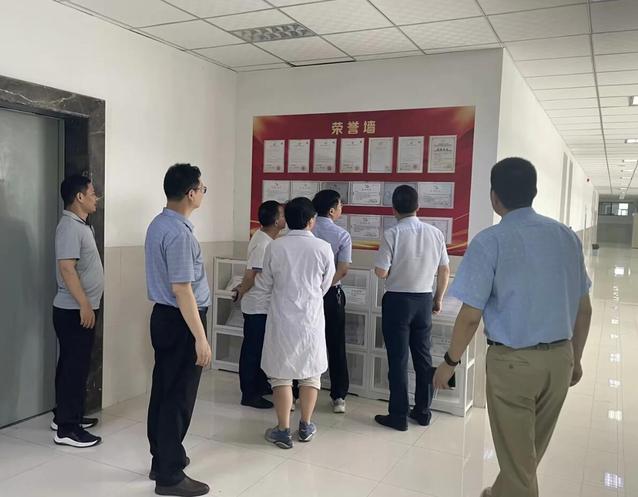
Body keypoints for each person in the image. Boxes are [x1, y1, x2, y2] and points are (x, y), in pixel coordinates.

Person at [433, 157, 592, 497]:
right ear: (534, 191)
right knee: (525, 458)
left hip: (513, 367)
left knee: (520, 469)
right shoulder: (566, 237)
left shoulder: (490, 241)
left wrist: (449, 362)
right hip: (559, 361)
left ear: (495, 197)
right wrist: (575, 359)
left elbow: (470, 315)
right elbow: (584, 309)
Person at [145, 163, 212, 497]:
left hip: (165, 318)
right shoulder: (180, 234)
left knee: (163, 391)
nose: (203, 194)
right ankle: (169, 476)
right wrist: (200, 337)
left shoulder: (159, 224)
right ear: (190, 193)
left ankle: (162, 459)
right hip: (182, 321)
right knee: (178, 398)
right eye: (202, 188)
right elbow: (183, 289)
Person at [259, 197, 335, 449]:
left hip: (281, 317)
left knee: (280, 374)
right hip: (310, 319)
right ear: (311, 221)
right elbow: (326, 284)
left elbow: (266, 283)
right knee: (311, 374)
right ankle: (305, 425)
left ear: (287, 220)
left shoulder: (275, 247)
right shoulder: (323, 248)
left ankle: (282, 430)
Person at [374, 185, 450, 431]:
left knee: (398, 360)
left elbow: (381, 271)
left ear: (394, 209)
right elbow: (444, 269)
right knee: (423, 359)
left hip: (397, 302)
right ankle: (423, 412)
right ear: (418, 207)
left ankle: (398, 416)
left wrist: (394, 271)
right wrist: (438, 298)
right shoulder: (435, 233)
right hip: (424, 300)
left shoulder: (392, 234)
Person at [51, 174, 103, 448]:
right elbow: (66, 268)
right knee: (74, 368)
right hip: (74, 311)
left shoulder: (80, 225)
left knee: (71, 365)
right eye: (92, 193)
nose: (96, 198)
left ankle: (65, 415)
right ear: (79, 197)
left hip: (78, 309)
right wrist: (84, 304)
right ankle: (67, 429)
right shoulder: (70, 227)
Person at [234, 200, 285, 409]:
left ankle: (261, 385)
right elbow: (251, 275)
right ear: (276, 221)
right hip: (257, 306)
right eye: (282, 214)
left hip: (264, 306)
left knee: (261, 349)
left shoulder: (266, 239)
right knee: (252, 351)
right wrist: (240, 291)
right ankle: (249, 394)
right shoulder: (263, 244)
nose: (285, 218)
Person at [311, 189, 352, 413]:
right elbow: (343, 269)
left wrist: (315, 288)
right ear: (331, 210)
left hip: (306, 294)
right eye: (340, 206)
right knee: (335, 344)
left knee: (305, 340)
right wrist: (325, 286)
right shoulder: (342, 235)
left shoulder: (306, 229)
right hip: (331, 294)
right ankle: (338, 397)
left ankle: (297, 392)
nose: (341, 210)